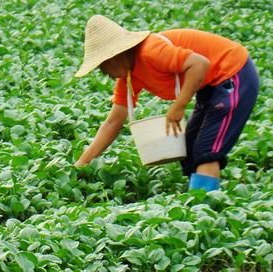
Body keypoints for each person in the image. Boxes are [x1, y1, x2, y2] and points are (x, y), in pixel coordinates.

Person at [73, 15, 259, 191]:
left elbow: (199, 64)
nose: (106, 73)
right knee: (189, 148)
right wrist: (82, 164)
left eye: (103, 67)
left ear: (114, 58)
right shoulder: (128, 77)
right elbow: (113, 122)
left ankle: (203, 207)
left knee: (207, 150)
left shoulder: (150, 52)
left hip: (233, 73)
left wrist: (179, 106)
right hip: (209, 86)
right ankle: (198, 197)